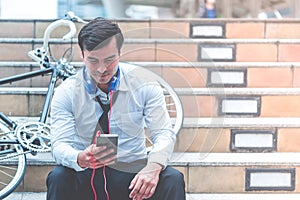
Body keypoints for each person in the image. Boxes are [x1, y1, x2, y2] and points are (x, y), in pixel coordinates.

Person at [46, 17, 186, 200]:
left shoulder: (144, 83)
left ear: (120, 53)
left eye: (109, 60)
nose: (102, 69)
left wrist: (153, 168)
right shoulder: (66, 92)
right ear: (82, 54)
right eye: (93, 61)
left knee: (172, 178)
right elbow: (59, 145)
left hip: (132, 175)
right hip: (87, 173)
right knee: (58, 177)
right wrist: (79, 157)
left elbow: (163, 134)